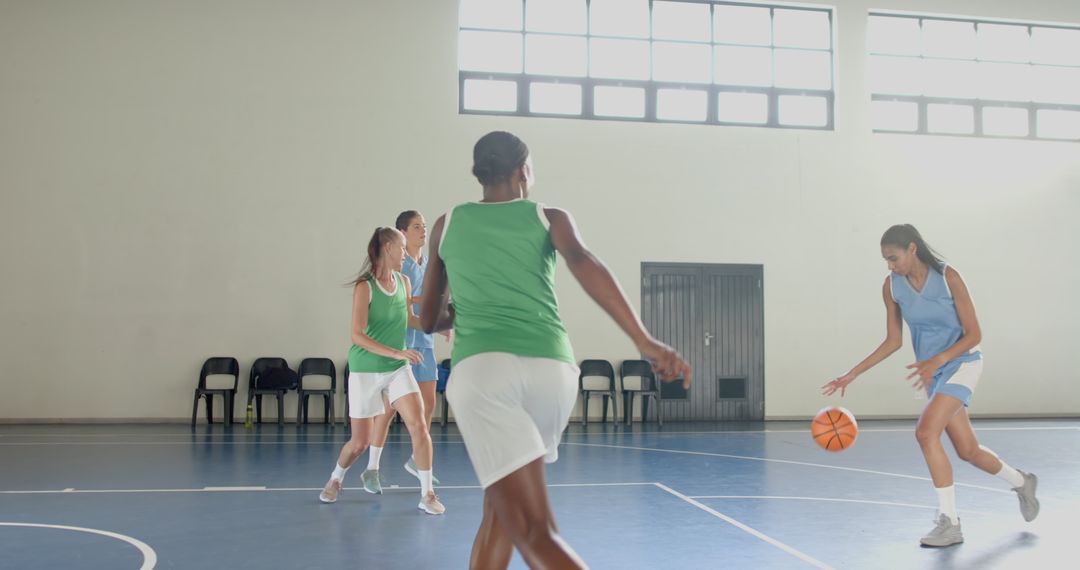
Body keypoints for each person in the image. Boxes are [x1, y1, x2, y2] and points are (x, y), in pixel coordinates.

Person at [419, 131, 691, 568]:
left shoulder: (447, 224)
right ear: (523, 170)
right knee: (500, 512)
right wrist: (644, 340)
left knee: (532, 531)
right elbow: (586, 265)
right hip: (552, 374)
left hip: (484, 375)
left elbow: (428, 320)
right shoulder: (550, 218)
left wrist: (462, 311)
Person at [822, 224, 1038, 547]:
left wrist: (939, 359)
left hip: (963, 363)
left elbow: (974, 334)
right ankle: (1023, 482)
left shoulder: (950, 278)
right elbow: (893, 341)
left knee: (925, 433)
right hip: (933, 373)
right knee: (968, 451)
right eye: (886, 260)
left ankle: (950, 523)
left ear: (912, 249)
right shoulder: (892, 287)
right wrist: (854, 373)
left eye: (894, 258)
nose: (890, 265)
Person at [318, 226, 445, 515]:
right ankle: (336, 479)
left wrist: (440, 324)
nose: (405, 254)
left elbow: (409, 320)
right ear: (387, 248)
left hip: (398, 369)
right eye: (401, 248)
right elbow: (357, 335)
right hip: (366, 369)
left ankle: (427, 494)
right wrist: (396, 351)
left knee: (419, 425)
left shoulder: (403, 282)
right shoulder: (365, 287)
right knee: (359, 442)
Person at [360, 211, 443, 493]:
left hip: (424, 341)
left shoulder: (429, 262)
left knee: (429, 403)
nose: (423, 230)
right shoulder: (400, 264)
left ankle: (416, 459)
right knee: (387, 411)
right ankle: (372, 468)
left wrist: (441, 320)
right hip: (399, 343)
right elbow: (403, 300)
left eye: (424, 226)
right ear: (402, 233)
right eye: (417, 226)